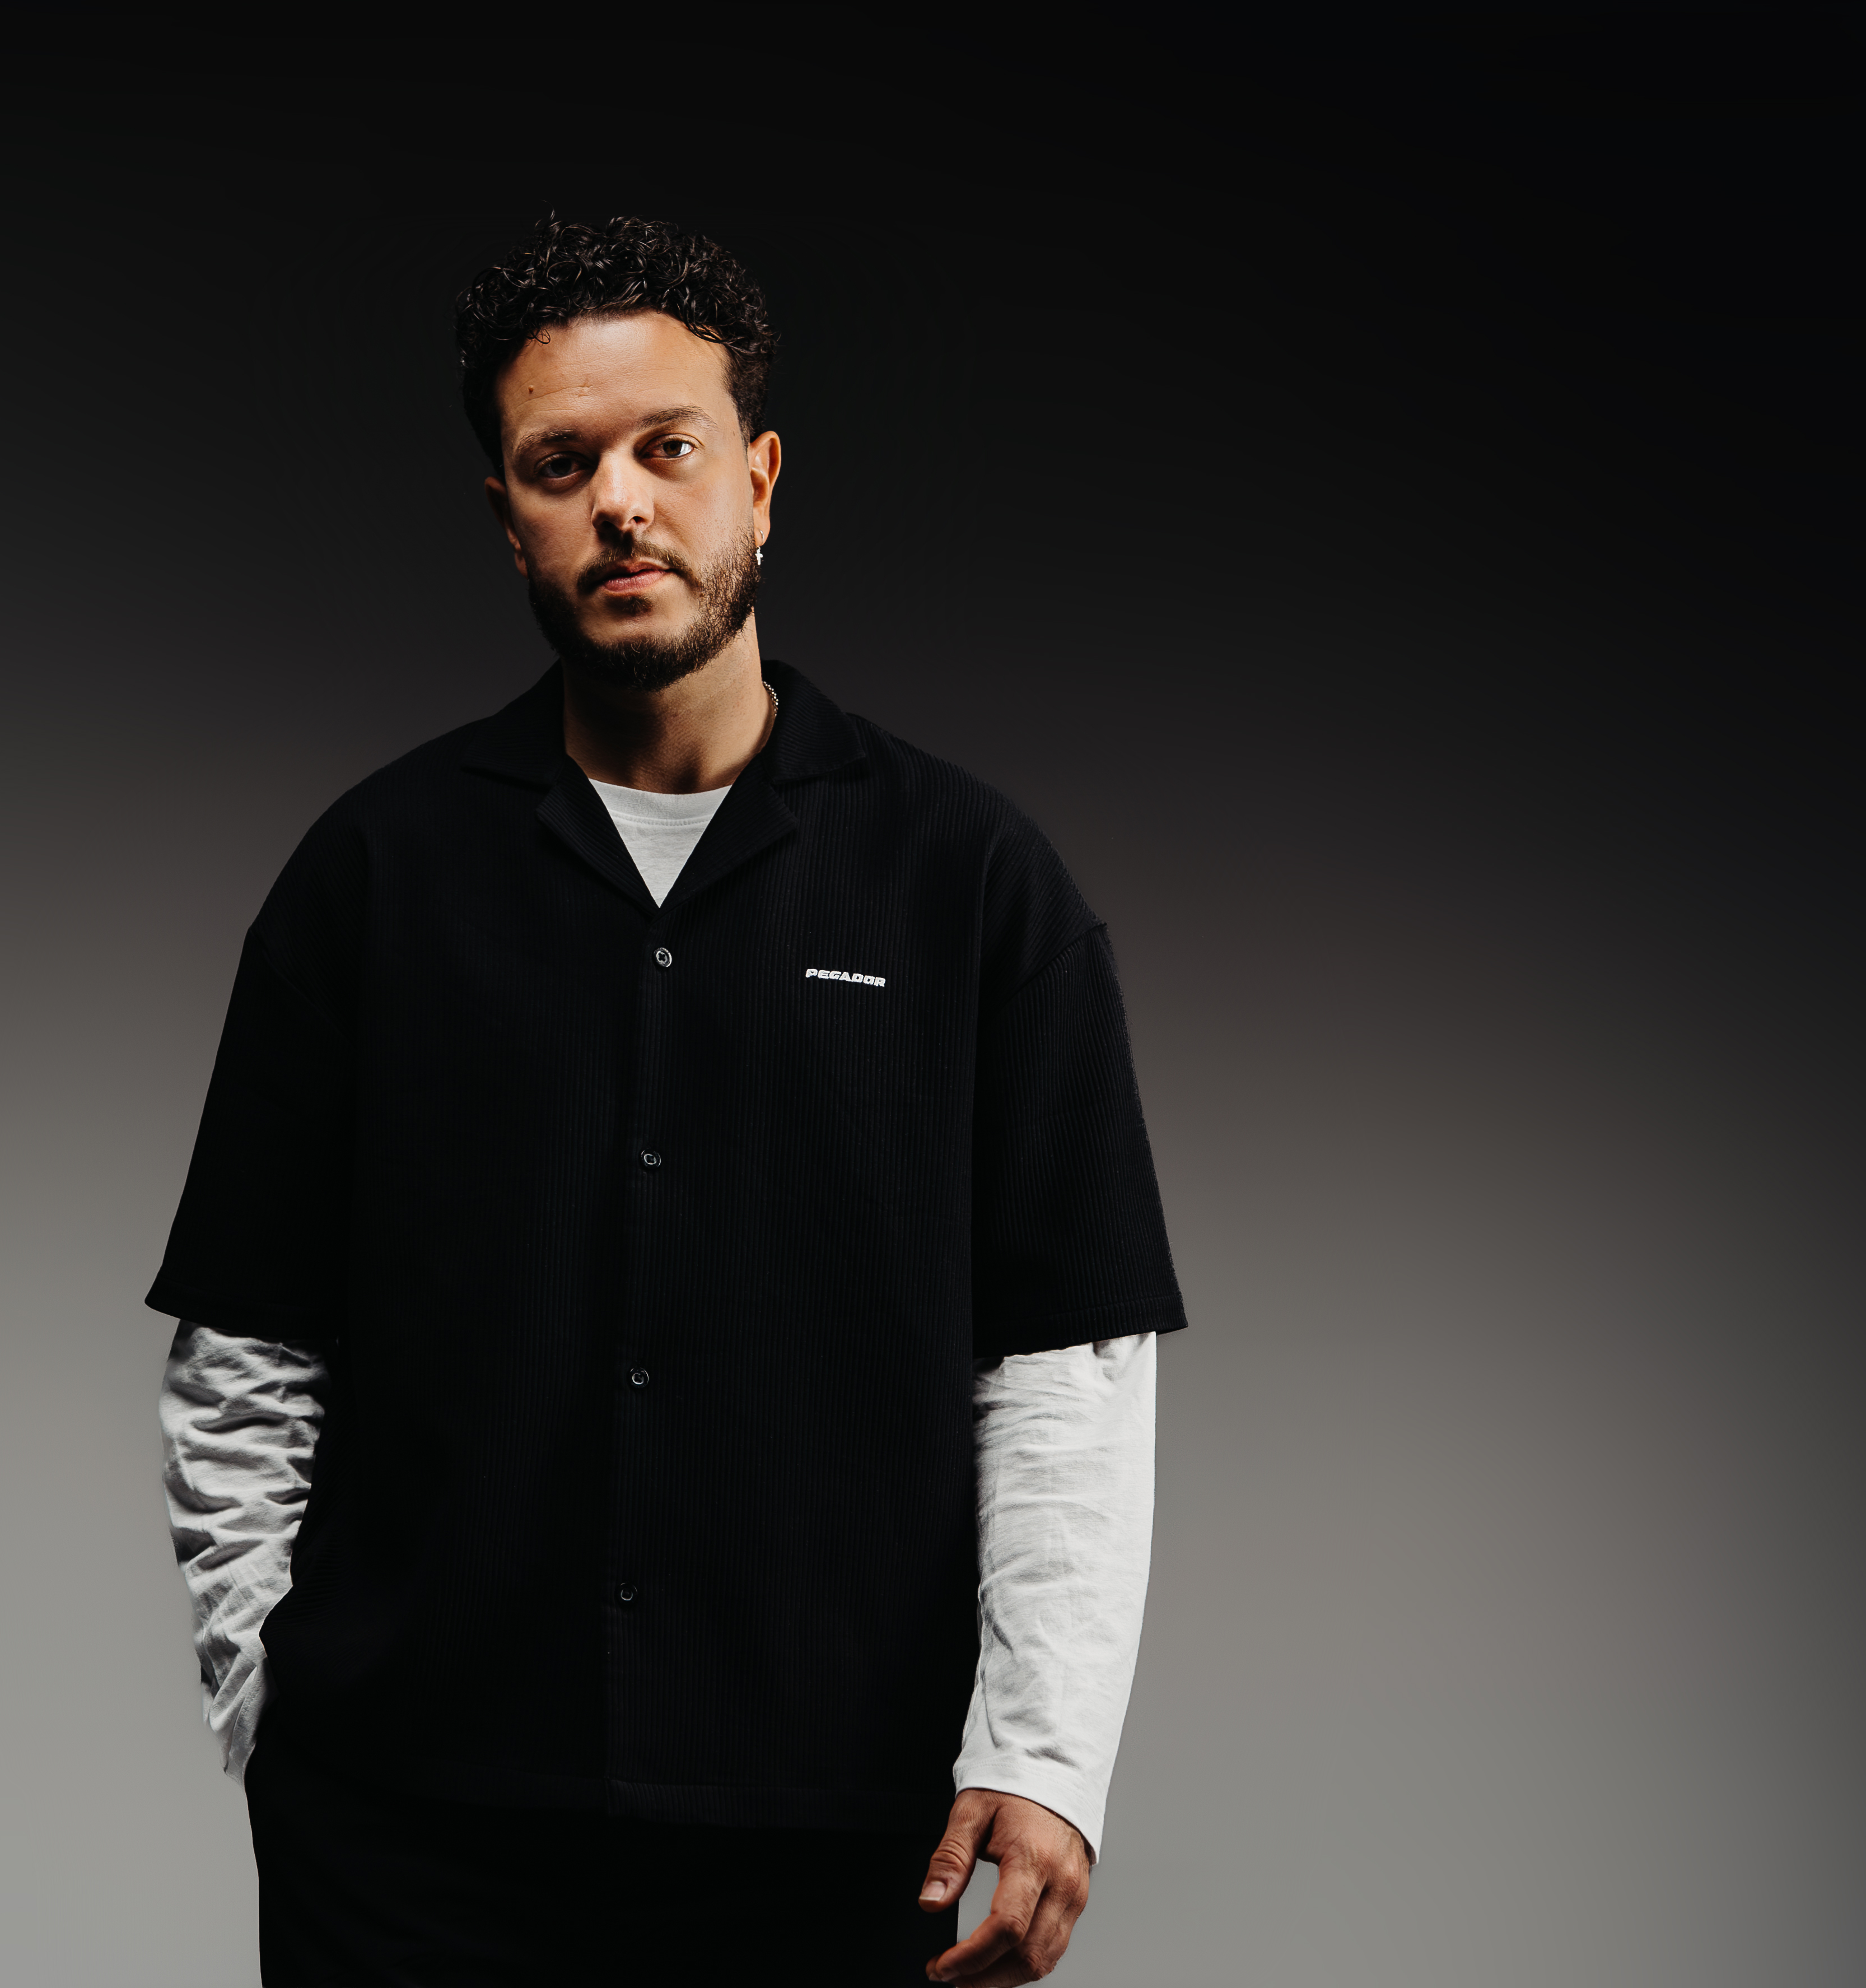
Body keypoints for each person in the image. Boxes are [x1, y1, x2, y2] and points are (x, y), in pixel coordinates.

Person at [148, 215, 1183, 1985]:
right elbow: (245, 1347)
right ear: (508, 518)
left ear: (759, 482)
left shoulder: (970, 884)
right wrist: (275, 1705)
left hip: (835, 1840)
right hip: (412, 1843)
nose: (620, 503)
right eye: (563, 465)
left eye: (667, 450)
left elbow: (1065, 1366)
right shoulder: (377, 876)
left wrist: (1042, 1757)